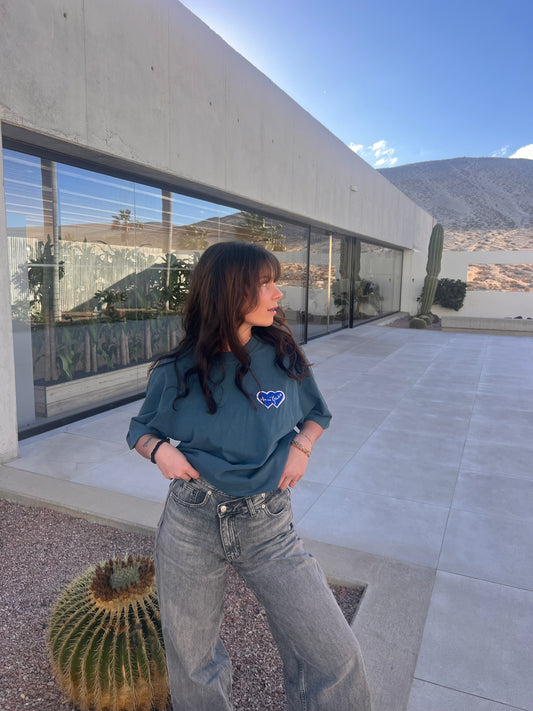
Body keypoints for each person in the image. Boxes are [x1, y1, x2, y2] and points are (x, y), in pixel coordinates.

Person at [127, 241, 371, 711]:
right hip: (192, 520)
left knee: (334, 655)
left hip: (268, 524)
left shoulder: (281, 354)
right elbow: (141, 430)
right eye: (264, 283)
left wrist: (302, 447)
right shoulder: (176, 370)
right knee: (193, 661)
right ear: (228, 291)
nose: (278, 293)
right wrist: (159, 452)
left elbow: (317, 415)